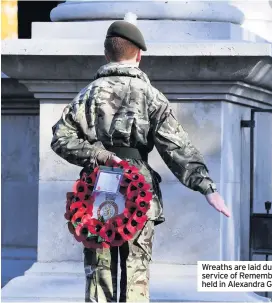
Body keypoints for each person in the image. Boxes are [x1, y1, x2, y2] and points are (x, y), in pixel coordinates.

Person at [51, 18, 231, 303]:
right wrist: (207, 187)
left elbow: (61, 139)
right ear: (139, 56)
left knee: (100, 274)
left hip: (96, 192)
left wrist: (97, 154)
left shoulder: (87, 96)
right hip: (138, 193)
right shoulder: (152, 97)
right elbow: (177, 147)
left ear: (106, 53)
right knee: (136, 274)